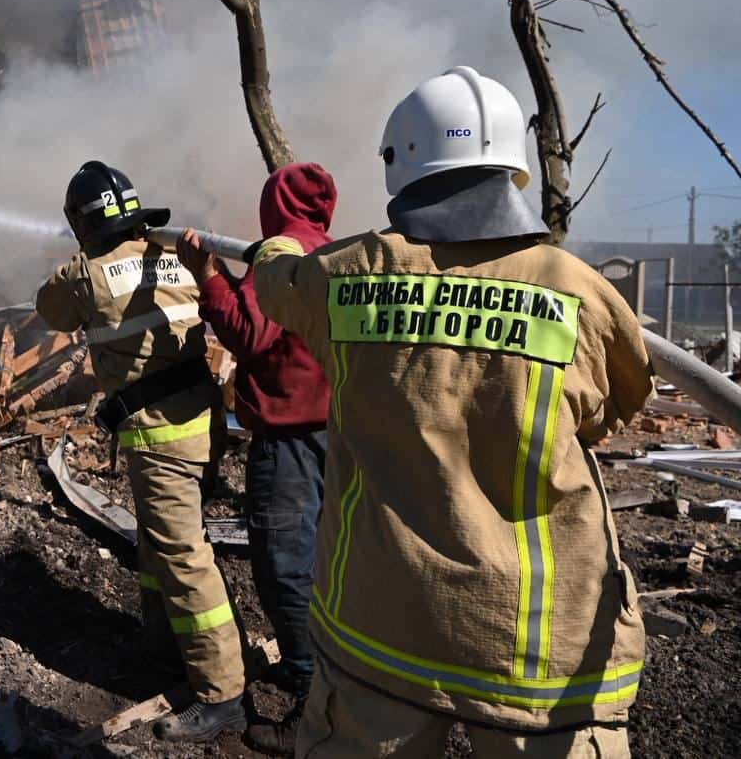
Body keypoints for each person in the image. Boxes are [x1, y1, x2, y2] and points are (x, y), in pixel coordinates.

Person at [250, 67, 653, 758]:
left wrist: (282, 241)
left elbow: (273, 284)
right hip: (539, 652)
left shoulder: (347, 274)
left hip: (382, 628)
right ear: (512, 166)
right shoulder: (576, 290)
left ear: (399, 163)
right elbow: (617, 403)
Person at [35, 160, 247, 743]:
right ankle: (162, 640)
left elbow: (48, 307)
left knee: (183, 557)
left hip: (162, 439)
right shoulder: (171, 253)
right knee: (158, 539)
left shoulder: (84, 275)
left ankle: (222, 693)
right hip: (204, 423)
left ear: (80, 222)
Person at [175, 162, 337, 755]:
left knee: (286, 568)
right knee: (331, 565)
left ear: (274, 206)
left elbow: (249, 334)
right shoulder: (336, 252)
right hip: (340, 438)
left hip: (289, 443)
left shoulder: (280, 257)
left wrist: (209, 276)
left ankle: (311, 700)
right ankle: (337, 679)